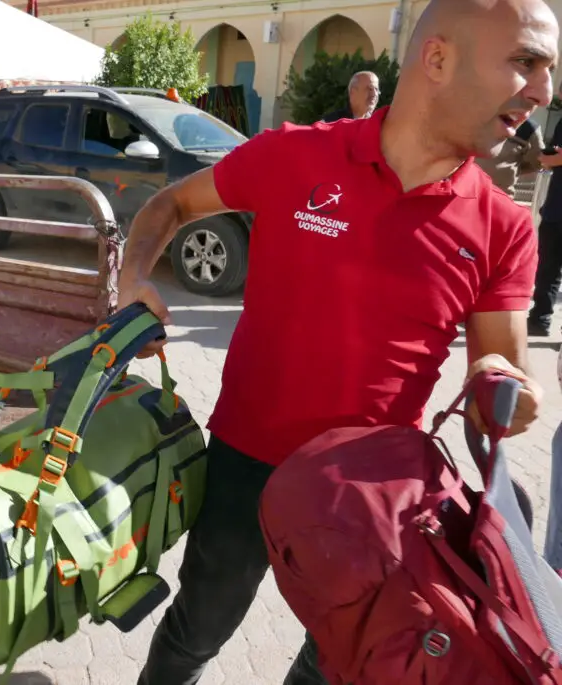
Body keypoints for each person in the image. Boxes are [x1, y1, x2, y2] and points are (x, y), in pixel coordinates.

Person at [118, 0, 557, 682]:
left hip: (373, 500)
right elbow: (168, 205)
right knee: (196, 629)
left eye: (548, 70)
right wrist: (133, 283)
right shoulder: (296, 155)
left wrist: (502, 386)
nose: (543, 91)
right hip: (245, 465)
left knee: (340, 665)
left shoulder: (506, 227)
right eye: (525, 62)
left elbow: (494, 372)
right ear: (437, 59)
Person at [528, 122, 562, 336]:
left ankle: (540, 319)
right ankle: (540, 320)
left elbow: (553, 158)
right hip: (555, 209)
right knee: (547, 269)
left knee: (548, 269)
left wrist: (549, 159)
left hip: (556, 210)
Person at [475, 118, 545, 197]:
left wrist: (516, 169)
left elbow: (539, 162)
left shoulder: (529, 128)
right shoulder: (476, 117)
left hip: (500, 196)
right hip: (467, 192)